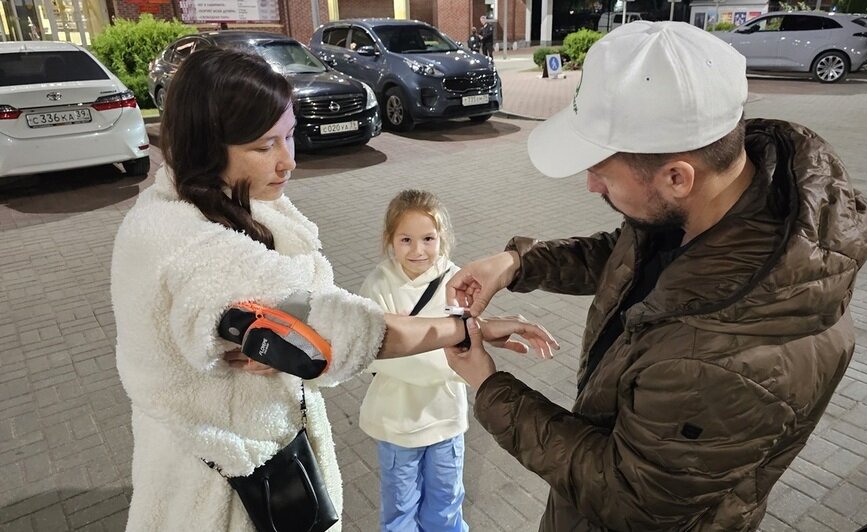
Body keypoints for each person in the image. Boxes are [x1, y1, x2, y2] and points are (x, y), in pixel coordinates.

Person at [445, 21, 867, 531]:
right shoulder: (728, 201)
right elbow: (628, 253)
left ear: (677, 177)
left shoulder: (723, 363)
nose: (589, 185)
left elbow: (629, 496)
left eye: (602, 173)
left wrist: (489, 385)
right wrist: (518, 264)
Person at [110, 48, 557, 532]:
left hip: (236, 456)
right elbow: (345, 331)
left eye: (290, 136)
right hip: (226, 485)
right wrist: (464, 328)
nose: (289, 161)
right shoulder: (193, 246)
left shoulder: (218, 203)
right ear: (207, 145)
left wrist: (293, 333)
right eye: (265, 147)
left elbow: (315, 320)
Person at [358, 190, 469, 531]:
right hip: (397, 423)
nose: (418, 250)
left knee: (446, 506)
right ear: (390, 239)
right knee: (400, 511)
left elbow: (467, 352)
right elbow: (369, 355)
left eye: (428, 239)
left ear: (442, 238)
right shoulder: (377, 285)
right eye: (406, 239)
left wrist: (405, 346)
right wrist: (440, 353)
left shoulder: (457, 280)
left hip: (445, 419)